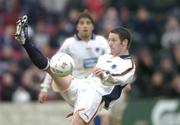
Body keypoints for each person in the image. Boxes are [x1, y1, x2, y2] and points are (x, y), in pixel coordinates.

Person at [15, 15, 136, 125]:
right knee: (51, 68)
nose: (109, 43)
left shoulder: (128, 64)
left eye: (113, 40)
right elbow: (93, 77)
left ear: (124, 42)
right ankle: (26, 42)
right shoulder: (105, 56)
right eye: (109, 40)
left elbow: (118, 78)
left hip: (96, 95)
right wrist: (45, 88)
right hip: (82, 85)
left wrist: (105, 75)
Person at [38, 10, 110, 104]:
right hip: (78, 86)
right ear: (77, 26)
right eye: (81, 23)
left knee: (103, 117)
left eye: (88, 23)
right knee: (85, 116)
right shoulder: (69, 43)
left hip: (98, 85)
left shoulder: (101, 42)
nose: (85, 25)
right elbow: (53, 64)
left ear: (92, 26)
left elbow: (111, 61)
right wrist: (44, 88)